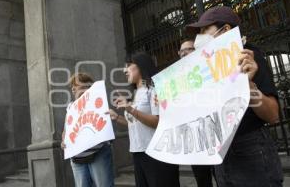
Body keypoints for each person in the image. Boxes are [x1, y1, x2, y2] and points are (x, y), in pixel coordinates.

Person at [186, 6, 283, 187]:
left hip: (251, 150)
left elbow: (273, 115)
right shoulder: (204, 69)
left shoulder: (249, 57)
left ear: (226, 30)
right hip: (221, 154)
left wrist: (248, 85)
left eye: (205, 29)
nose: (199, 37)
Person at [107, 52, 180, 187]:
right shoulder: (136, 92)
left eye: (129, 66)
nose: (124, 70)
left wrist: (132, 110)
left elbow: (157, 122)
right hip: (138, 153)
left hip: (156, 153)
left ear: (141, 66)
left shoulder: (154, 89)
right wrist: (117, 117)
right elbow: (134, 123)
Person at [61, 72, 114, 187]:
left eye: (86, 87)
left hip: (98, 153)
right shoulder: (70, 108)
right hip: (77, 159)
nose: (83, 90)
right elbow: (66, 131)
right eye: (76, 87)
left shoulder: (98, 102)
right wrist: (63, 141)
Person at [178, 39, 214, 187]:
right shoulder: (176, 79)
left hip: (214, 134)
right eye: (181, 51)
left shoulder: (210, 70)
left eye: (189, 49)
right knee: (202, 180)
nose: (184, 53)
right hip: (195, 139)